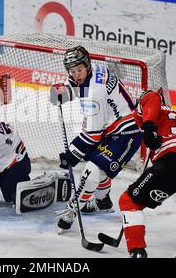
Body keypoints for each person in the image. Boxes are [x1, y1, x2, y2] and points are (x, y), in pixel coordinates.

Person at [49, 46, 142, 231]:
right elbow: (75, 86)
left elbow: (92, 135)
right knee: (98, 166)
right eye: (72, 71)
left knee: (92, 170)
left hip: (126, 133)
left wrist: (71, 154)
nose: (76, 75)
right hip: (109, 126)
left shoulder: (94, 93)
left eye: (79, 70)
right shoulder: (93, 71)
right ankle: (103, 200)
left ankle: (72, 210)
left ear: (87, 65)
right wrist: (63, 92)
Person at [117, 89, 176, 258]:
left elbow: (152, 96)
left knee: (129, 201)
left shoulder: (149, 107)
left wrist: (148, 128)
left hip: (171, 161)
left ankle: (137, 251)